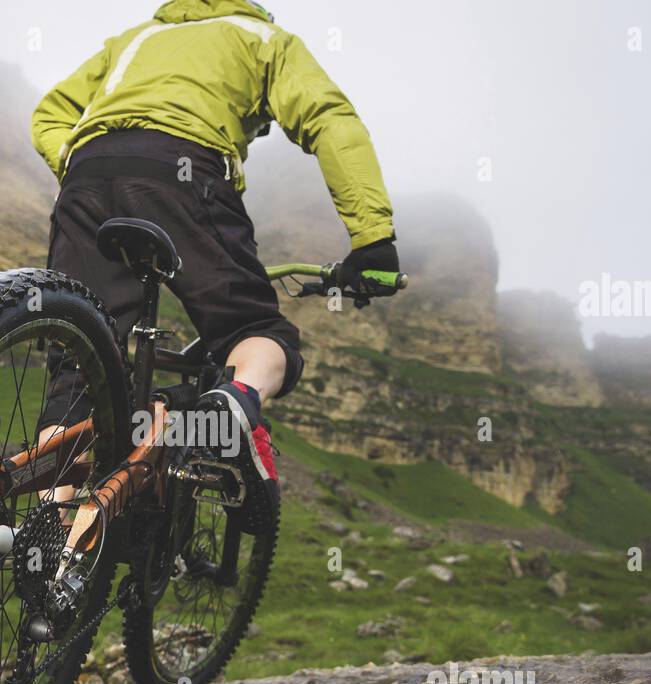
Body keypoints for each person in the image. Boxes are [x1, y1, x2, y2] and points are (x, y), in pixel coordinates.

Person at [31, 0, 397, 526]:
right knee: (254, 327)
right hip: (181, 171)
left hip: (88, 176)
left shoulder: (133, 39)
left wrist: (76, 161)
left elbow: (48, 113)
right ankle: (231, 406)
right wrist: (372, 237)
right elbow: (327, 117)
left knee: (82, 354)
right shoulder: (263, 39)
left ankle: (50, 524)